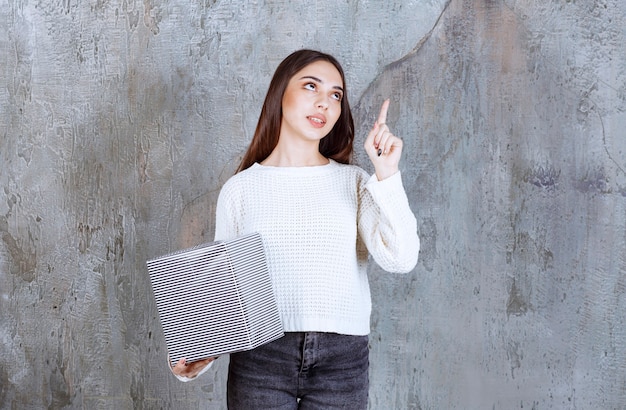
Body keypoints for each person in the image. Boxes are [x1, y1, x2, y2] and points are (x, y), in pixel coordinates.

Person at [169, 49, 420, 409]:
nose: (325, 103)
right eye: (310, 86)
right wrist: (193, 360)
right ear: (279, 94)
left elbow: (402, 258)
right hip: (261, 357)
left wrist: (387, 174)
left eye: (335, 94)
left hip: (342, 362)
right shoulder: (241, 189)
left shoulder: (357, 183)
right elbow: (225, 292)